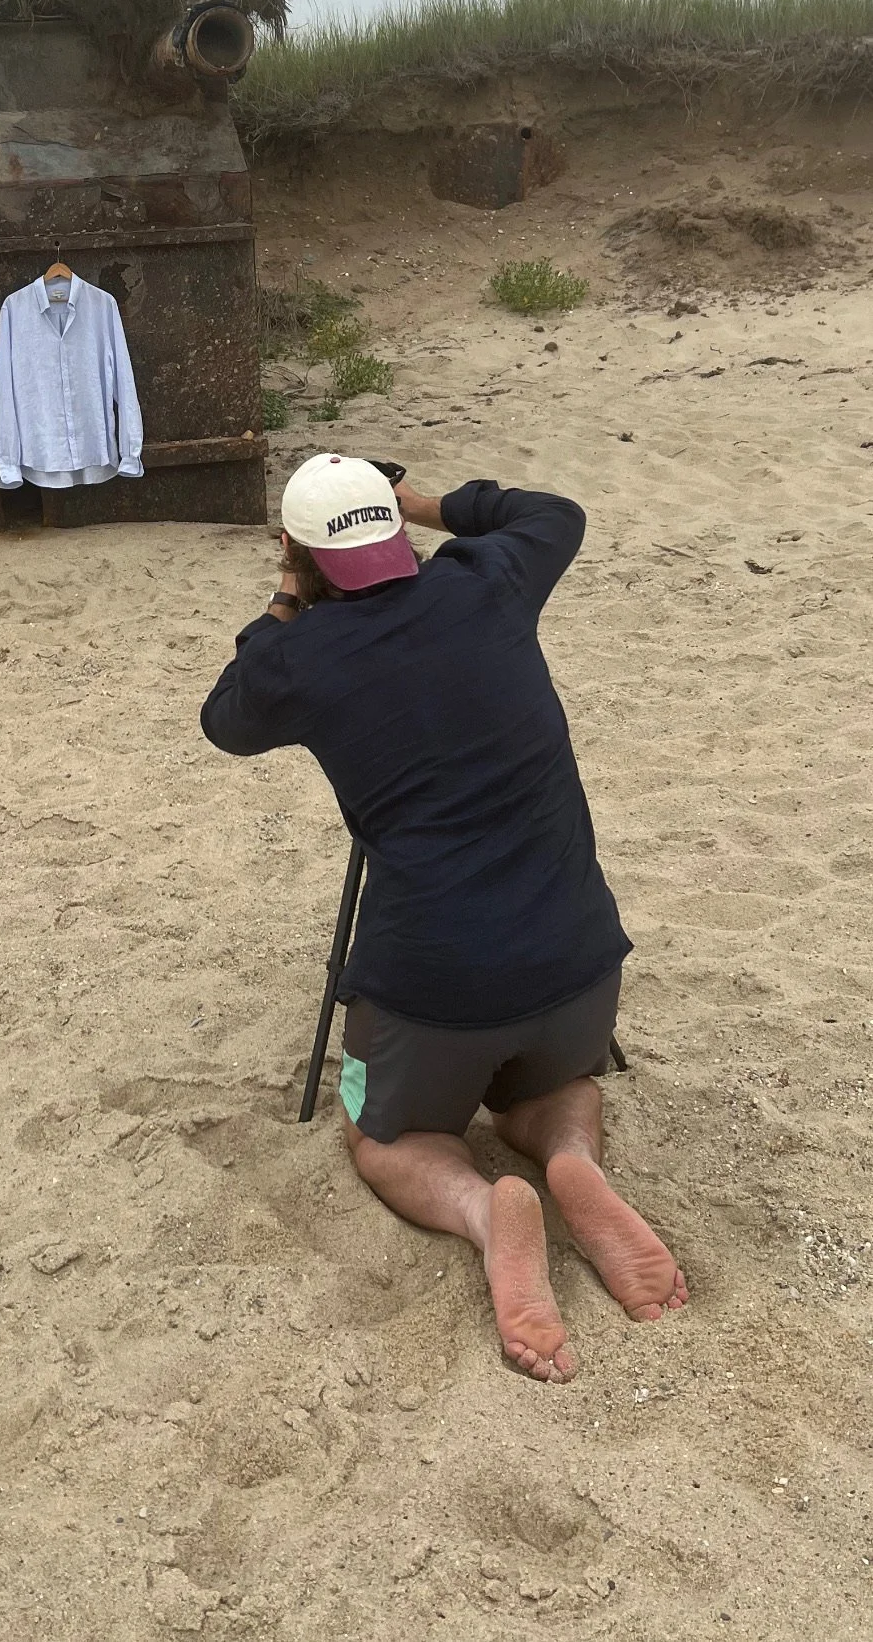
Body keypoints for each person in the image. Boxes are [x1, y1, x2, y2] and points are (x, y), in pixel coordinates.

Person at [200, 453, 687, 1382]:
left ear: (298, 554)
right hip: (580, 958)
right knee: (549, 1086)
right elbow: (552, 510)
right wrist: (422, 502)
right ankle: (571, 1156)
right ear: (397, 530)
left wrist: (286, 599)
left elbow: (225, 720)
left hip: (437, 982)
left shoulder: (297, 658)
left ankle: (480, 1208)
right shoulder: (488, 580)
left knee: (386, 1138)